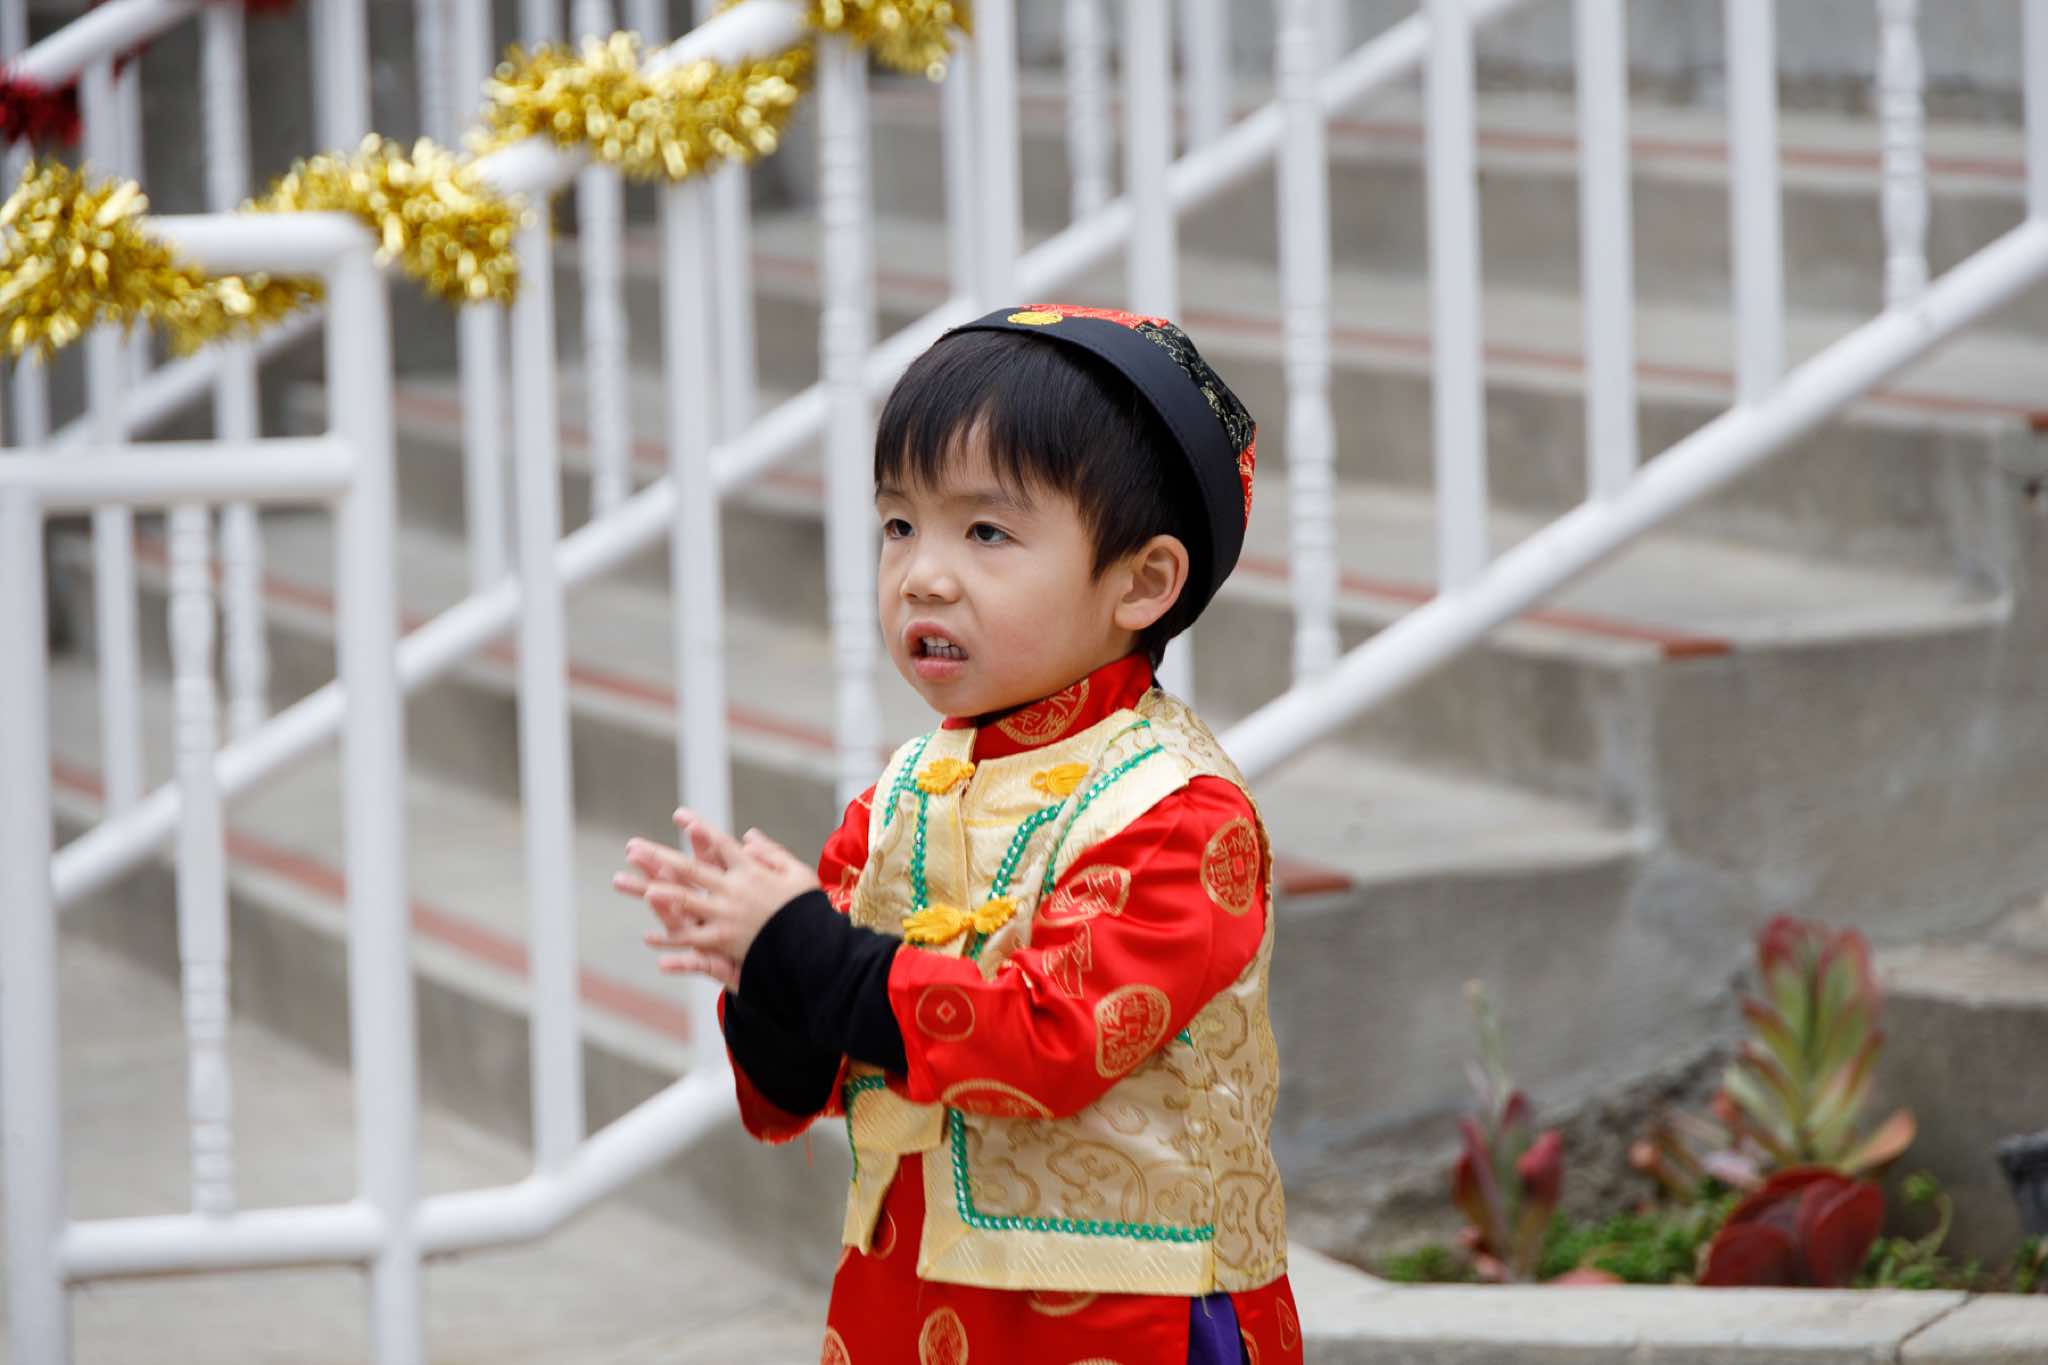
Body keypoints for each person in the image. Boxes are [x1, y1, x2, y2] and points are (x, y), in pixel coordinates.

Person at [613, 304, 1301, 1365]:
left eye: (985, 532)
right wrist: (764, 974)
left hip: (1129, 1310)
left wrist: (817, 958)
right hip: (908, 1289)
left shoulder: (1177, 810)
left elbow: (1058, 1038)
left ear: (1142, 582)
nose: (922, 576)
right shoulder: (905, 794)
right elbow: (814, 1081)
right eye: (899, 525)